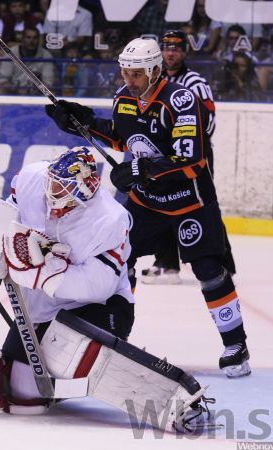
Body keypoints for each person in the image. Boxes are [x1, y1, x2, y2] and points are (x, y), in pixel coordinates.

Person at [0, 148, 212, 430]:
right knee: (19, 395)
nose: (52, 191)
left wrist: (37, 274)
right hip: (41, 310)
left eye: (62, 188)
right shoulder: (32, 179)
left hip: (99, 308)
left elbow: (98, 286)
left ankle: (176, 399)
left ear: (84, 192)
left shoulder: (110, 219)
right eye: (53, 182)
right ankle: (66, 377)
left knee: (68, 347)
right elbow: (5, 221)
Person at [45, 38, 251, 378]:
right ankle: (114, 333)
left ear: (155, 70)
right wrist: (82, 120)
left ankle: (235, 345)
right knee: (118, 259)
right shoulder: (124, 97)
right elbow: (121, 137)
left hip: (190, 202)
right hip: (147, 203)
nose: (130, 80)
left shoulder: (181, 99)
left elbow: (191, 158)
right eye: (126, 72)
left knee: (209, 270)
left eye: (137, 74)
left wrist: (139, 169)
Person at [140, 30, 236, 284]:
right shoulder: (154, 81)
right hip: (164, 158)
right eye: (167, 47)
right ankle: (167, 264)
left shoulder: (196, 82)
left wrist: (186, 146)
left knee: (204, 206)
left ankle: (224, 265)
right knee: (165, 204)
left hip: (194, 156)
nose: (171, 52)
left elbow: (209, 121)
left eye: (176, 48)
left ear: (184, 52)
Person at [0, 26, 54, 95]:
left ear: (38, 40)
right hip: (13, 91)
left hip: (37, 92)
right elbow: (3, 81)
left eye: (35, 38)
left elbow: (48, 82)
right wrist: (16, 89)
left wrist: (35, 89)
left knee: (51, 94)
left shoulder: (46, 55)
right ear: (22, 39)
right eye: (28, 37)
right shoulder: (10, 53)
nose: (32, 41)